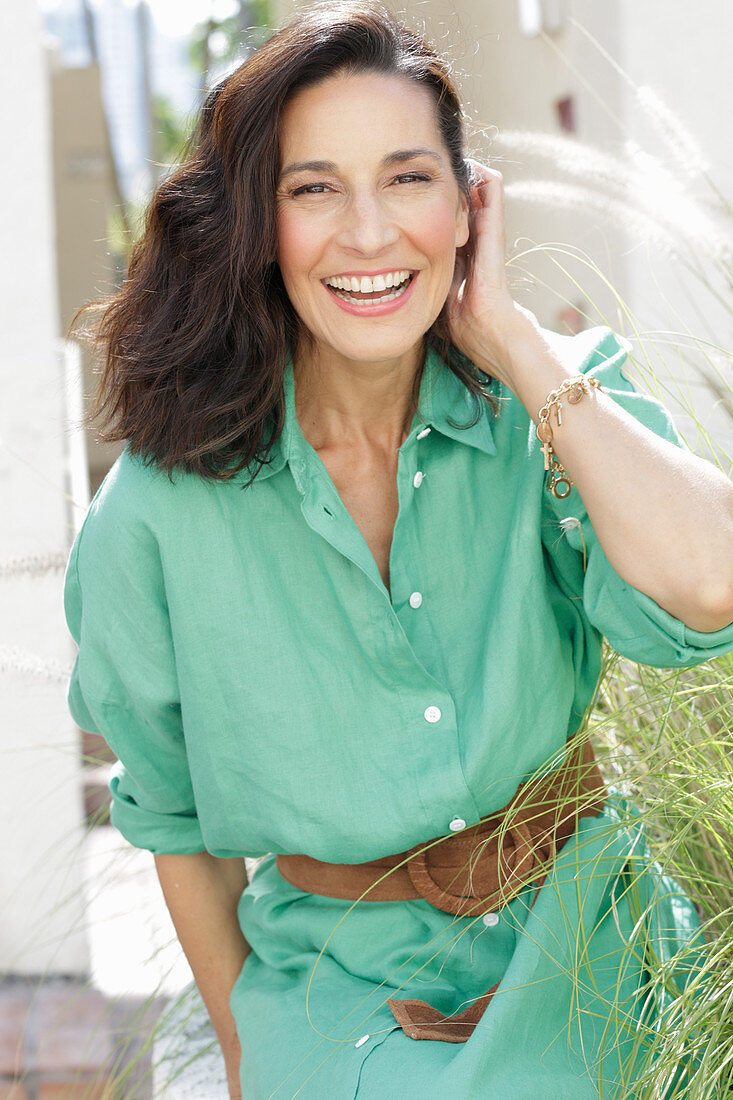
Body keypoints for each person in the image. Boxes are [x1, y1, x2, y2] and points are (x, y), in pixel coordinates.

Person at [63, 2, 733, 1097]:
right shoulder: (157, 513)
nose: (369, 234)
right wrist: (248, 1052)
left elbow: (709, 582)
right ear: (253, 221)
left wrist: (511, 339)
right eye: (313, 187)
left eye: (408, 178)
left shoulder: (548, 399)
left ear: (469, 206)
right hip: (336, 985)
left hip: (591, 941)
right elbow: (171, 814)